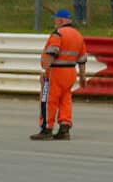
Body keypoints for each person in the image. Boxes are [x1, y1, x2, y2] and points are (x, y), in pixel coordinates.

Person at [32, 7, 86, 141]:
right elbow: (82, 58)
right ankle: (64, 128)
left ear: (61, 20)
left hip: (55, 72)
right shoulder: (78, 35)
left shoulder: (58, 34)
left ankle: (46, 129)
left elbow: (52, 52)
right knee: (65, 99)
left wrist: (45, 71)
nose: (55, 23)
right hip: (70, 73)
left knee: (48, 99)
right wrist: (83, 77)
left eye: (55, 20)